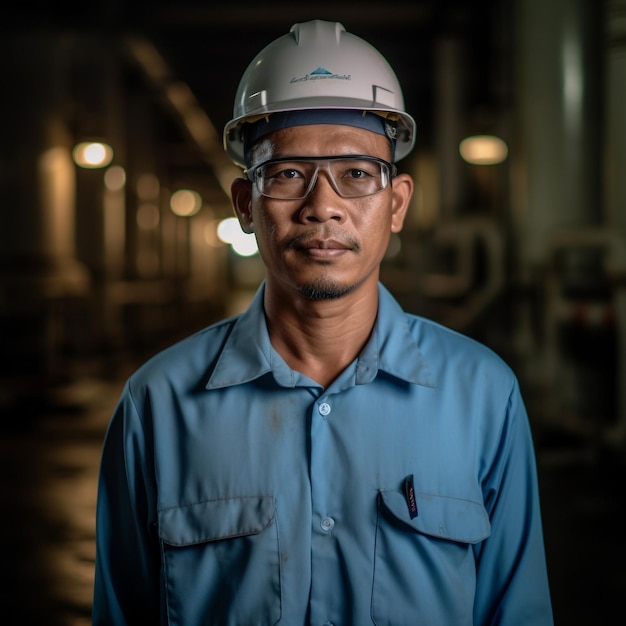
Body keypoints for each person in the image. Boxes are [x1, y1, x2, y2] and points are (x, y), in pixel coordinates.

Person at [92, 19, 553, 625]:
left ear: (397, 204)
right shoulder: (159, 403)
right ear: (245, 206)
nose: (322, 206)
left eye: (358, 174)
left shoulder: (482, 395)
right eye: (287, 174)